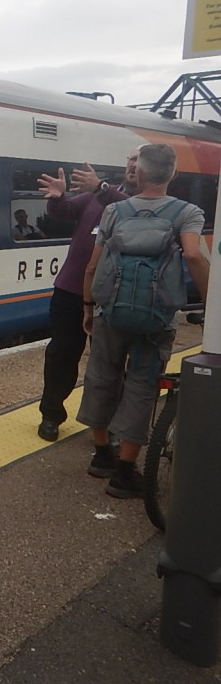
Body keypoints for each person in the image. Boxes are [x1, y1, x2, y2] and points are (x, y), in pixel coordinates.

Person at [76, 143, 209, 498]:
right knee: (142, 385)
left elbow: (92, 265)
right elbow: (194, 255)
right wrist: (212, 301)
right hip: (156, 317)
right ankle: (124, 473)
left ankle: (102, 455)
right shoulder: (187, 213)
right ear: (173, 174)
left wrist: (88, 307)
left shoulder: (115, 211)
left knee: (102, 376)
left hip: (110, 312)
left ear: (139, 172)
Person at [33, 151, 139, 441]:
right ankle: (51, 414)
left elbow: (132, 212)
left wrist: (102, 189)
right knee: (61, 354)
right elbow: (64, 211)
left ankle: (107, 424)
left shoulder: (146, 203)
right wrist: (57, 197)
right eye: (130, 158)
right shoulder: (98, 194)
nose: (133, 164)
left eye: (140, 159)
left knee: (109, 362)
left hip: (113, 296)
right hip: (71, 289)